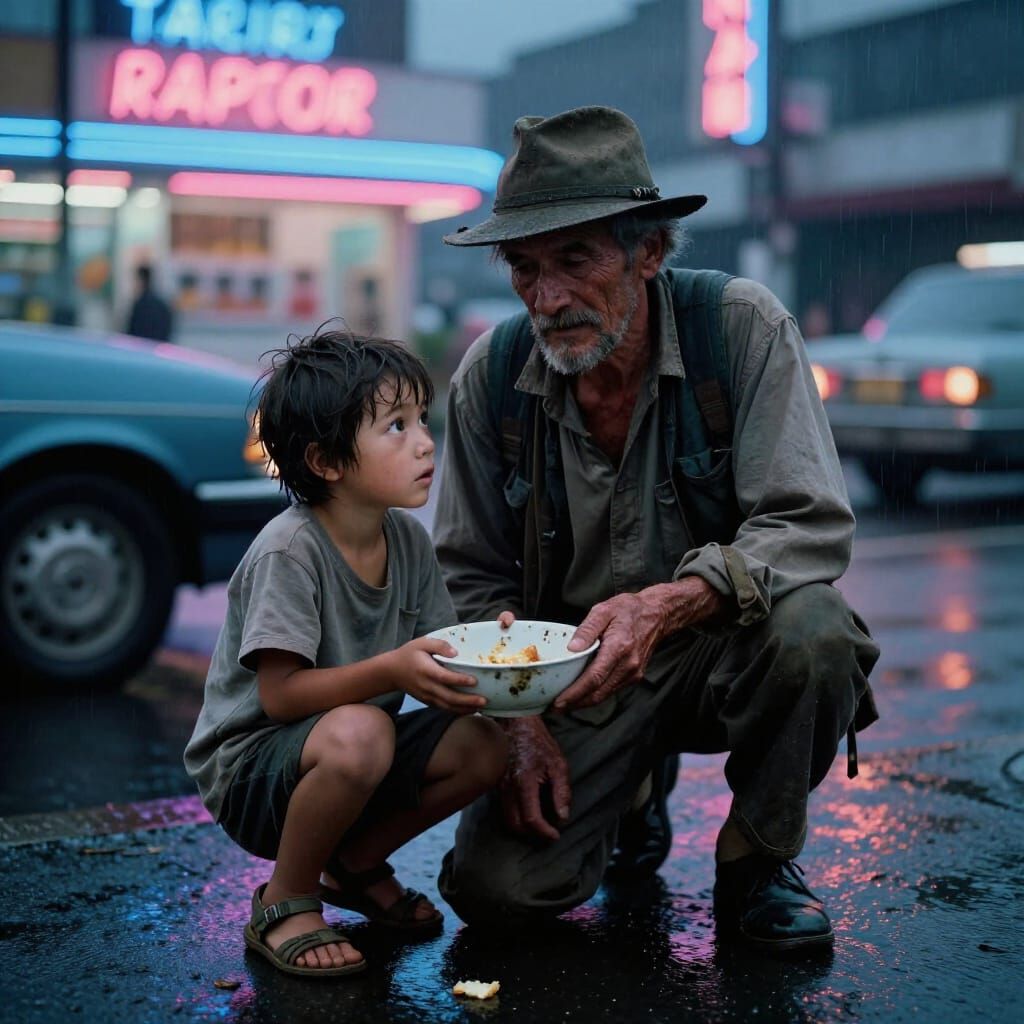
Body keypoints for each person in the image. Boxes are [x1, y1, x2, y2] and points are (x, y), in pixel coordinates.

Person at [432, 106, 880, 954]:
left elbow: (809, 523)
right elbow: (468, 576)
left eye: (574, 259)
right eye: (524, 267)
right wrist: (516, 725)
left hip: (721, 646)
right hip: (573, 674)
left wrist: (672, 604)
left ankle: (757, 860)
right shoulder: (491, 377)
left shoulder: (740, 327)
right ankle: (634, 787)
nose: (546, 295)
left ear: (647, 251)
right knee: (497, 897)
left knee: (814, 631)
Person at [184, 328, 508, 978]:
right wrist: (390, 669)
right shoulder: (289, 551)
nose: (425, 441)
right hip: (255, 773)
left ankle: (355, 865)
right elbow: (281, 697)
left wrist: (497, 651)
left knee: (485, 743)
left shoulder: (409, 543)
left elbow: (441, 656)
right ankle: (287, 900)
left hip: (351, 753)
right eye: (396, 426)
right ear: (327, 462)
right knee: (362, 731)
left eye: (423, 418)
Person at [126, 264, 174, 341]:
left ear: (141, 281)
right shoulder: (162, 304)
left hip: (141, 348)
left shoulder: (141, 305)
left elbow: (132, 332)